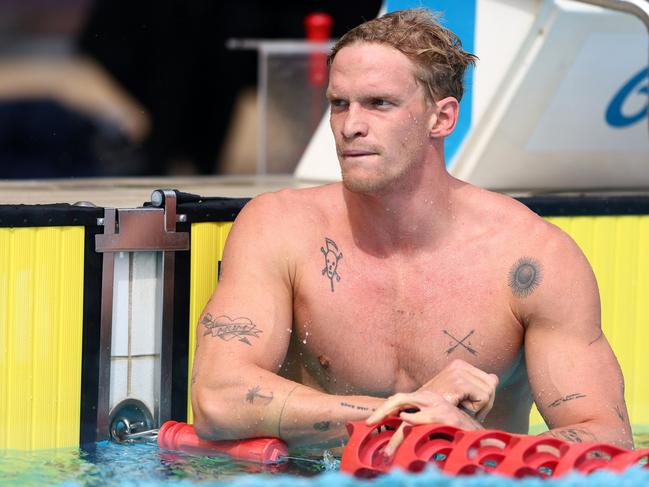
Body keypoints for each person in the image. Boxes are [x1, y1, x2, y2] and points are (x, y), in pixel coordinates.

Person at [190, 8, 633, 453]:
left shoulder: (531, 258)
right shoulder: (281, 229)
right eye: (339, 103)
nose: (350, 126)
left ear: (441, 119)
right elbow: (216, 399)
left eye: (379, 103)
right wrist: (417, 413)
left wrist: (474, 439)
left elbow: (608, 438)